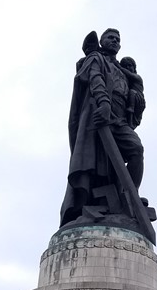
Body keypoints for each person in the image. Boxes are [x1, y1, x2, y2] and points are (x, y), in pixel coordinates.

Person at [60, 28, 146, 226]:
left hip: (120, 120)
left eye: (117, 39)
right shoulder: (96, 58)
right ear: (102, 41)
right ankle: (88, 205)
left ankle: (129, 197)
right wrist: (104, 103)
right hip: (98, 115)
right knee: (94, 163)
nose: (114, 41)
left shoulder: (124, 70)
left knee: (136, 149)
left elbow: (134, 94)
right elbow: (95, 78)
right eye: (110, 38)